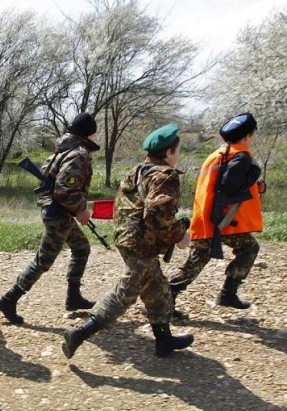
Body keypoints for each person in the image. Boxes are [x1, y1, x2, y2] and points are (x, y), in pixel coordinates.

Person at [62, 123, 194, 359]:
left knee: (157, 288)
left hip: (127, 239)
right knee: (125, 293)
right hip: (142, 244)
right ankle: (79, 333)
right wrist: (180, 234)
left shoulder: (137, 171)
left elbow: (123, 208)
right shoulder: (165, 176)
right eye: (178, 150)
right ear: (169, 152)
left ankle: (164, 340)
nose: (179, 154)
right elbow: (158, 215)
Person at [0, 112, 98, 324]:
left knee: (81, 247)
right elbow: (64, 189)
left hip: (59, 211)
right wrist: (81, 209)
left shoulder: (64, 150)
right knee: (44, 261)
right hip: (59, 214)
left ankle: (73, 297)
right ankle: (9, 299)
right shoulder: (78, 154)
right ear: (89, 133)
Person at [169, 113, 264, 315]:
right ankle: (228, 293)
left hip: (206, 217)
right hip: (225, 220)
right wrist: (254, 172)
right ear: (247, 136)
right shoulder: (241, 155)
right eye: (252, 135)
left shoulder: (217, 154)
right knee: (249, 249)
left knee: (196, 261)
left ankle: (166, 296)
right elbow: (230, 185)